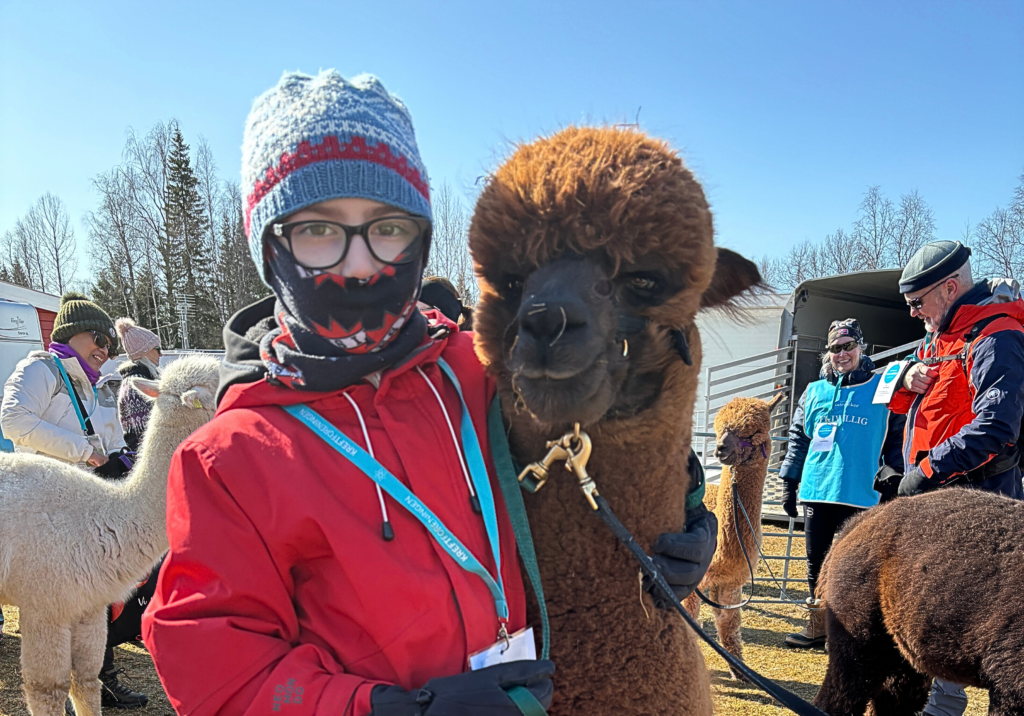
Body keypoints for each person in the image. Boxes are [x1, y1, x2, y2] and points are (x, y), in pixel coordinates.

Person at [141, 70, 717, 716]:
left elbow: (597, 442)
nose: (359, 265)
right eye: (319, 230)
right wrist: (387, 710)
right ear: (270, 246)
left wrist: (687, 508)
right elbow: (220, 671)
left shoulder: (480, 374)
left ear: (421, 235)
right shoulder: (231, 461)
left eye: (386, 228)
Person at [887, 241, 1024, 716]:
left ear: (950, 288)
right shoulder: (940, 337)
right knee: (938, 604)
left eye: (916, 302)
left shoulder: (995, 336)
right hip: (937, 498)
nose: (912, 313)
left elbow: (996, 426)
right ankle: (941, 703)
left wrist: (926, 470)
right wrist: (905, 378)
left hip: (980, 500)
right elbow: (909, 402)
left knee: (978, 612)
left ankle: (950, 706)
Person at [0, 292, 150, 709]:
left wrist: (121, 459)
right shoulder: (41, 369)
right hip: (39, 515)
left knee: (91, 604)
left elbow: (110, 440)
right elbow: (13, 420)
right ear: (71, 333)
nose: (105, 349)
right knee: (50, 611)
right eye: (98, 338)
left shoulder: (98, 386)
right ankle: (51, 692)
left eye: (109, 344)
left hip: (83, 511)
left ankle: (97, 682)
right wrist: (83, 451)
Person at [778, 319, 905, 649]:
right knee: (816, 564)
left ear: (861, 348)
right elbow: (798, 439)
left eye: (848, 346)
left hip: (863, 494)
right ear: (828, 352)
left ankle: (857, 634)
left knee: (861, 570)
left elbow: (896, 438)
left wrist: (894, 478)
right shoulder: (814, 391)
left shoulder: (881, 388)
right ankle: (818, 627)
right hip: (819, 490)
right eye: (835, 348)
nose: (842, 353)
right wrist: (789, 481)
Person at [114, 317, 162, 450]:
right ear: (145, 351)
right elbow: (146, 434)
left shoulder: (144, 377)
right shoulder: (135, 385)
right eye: (157, 348)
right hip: (148, 457)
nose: (161, 354)